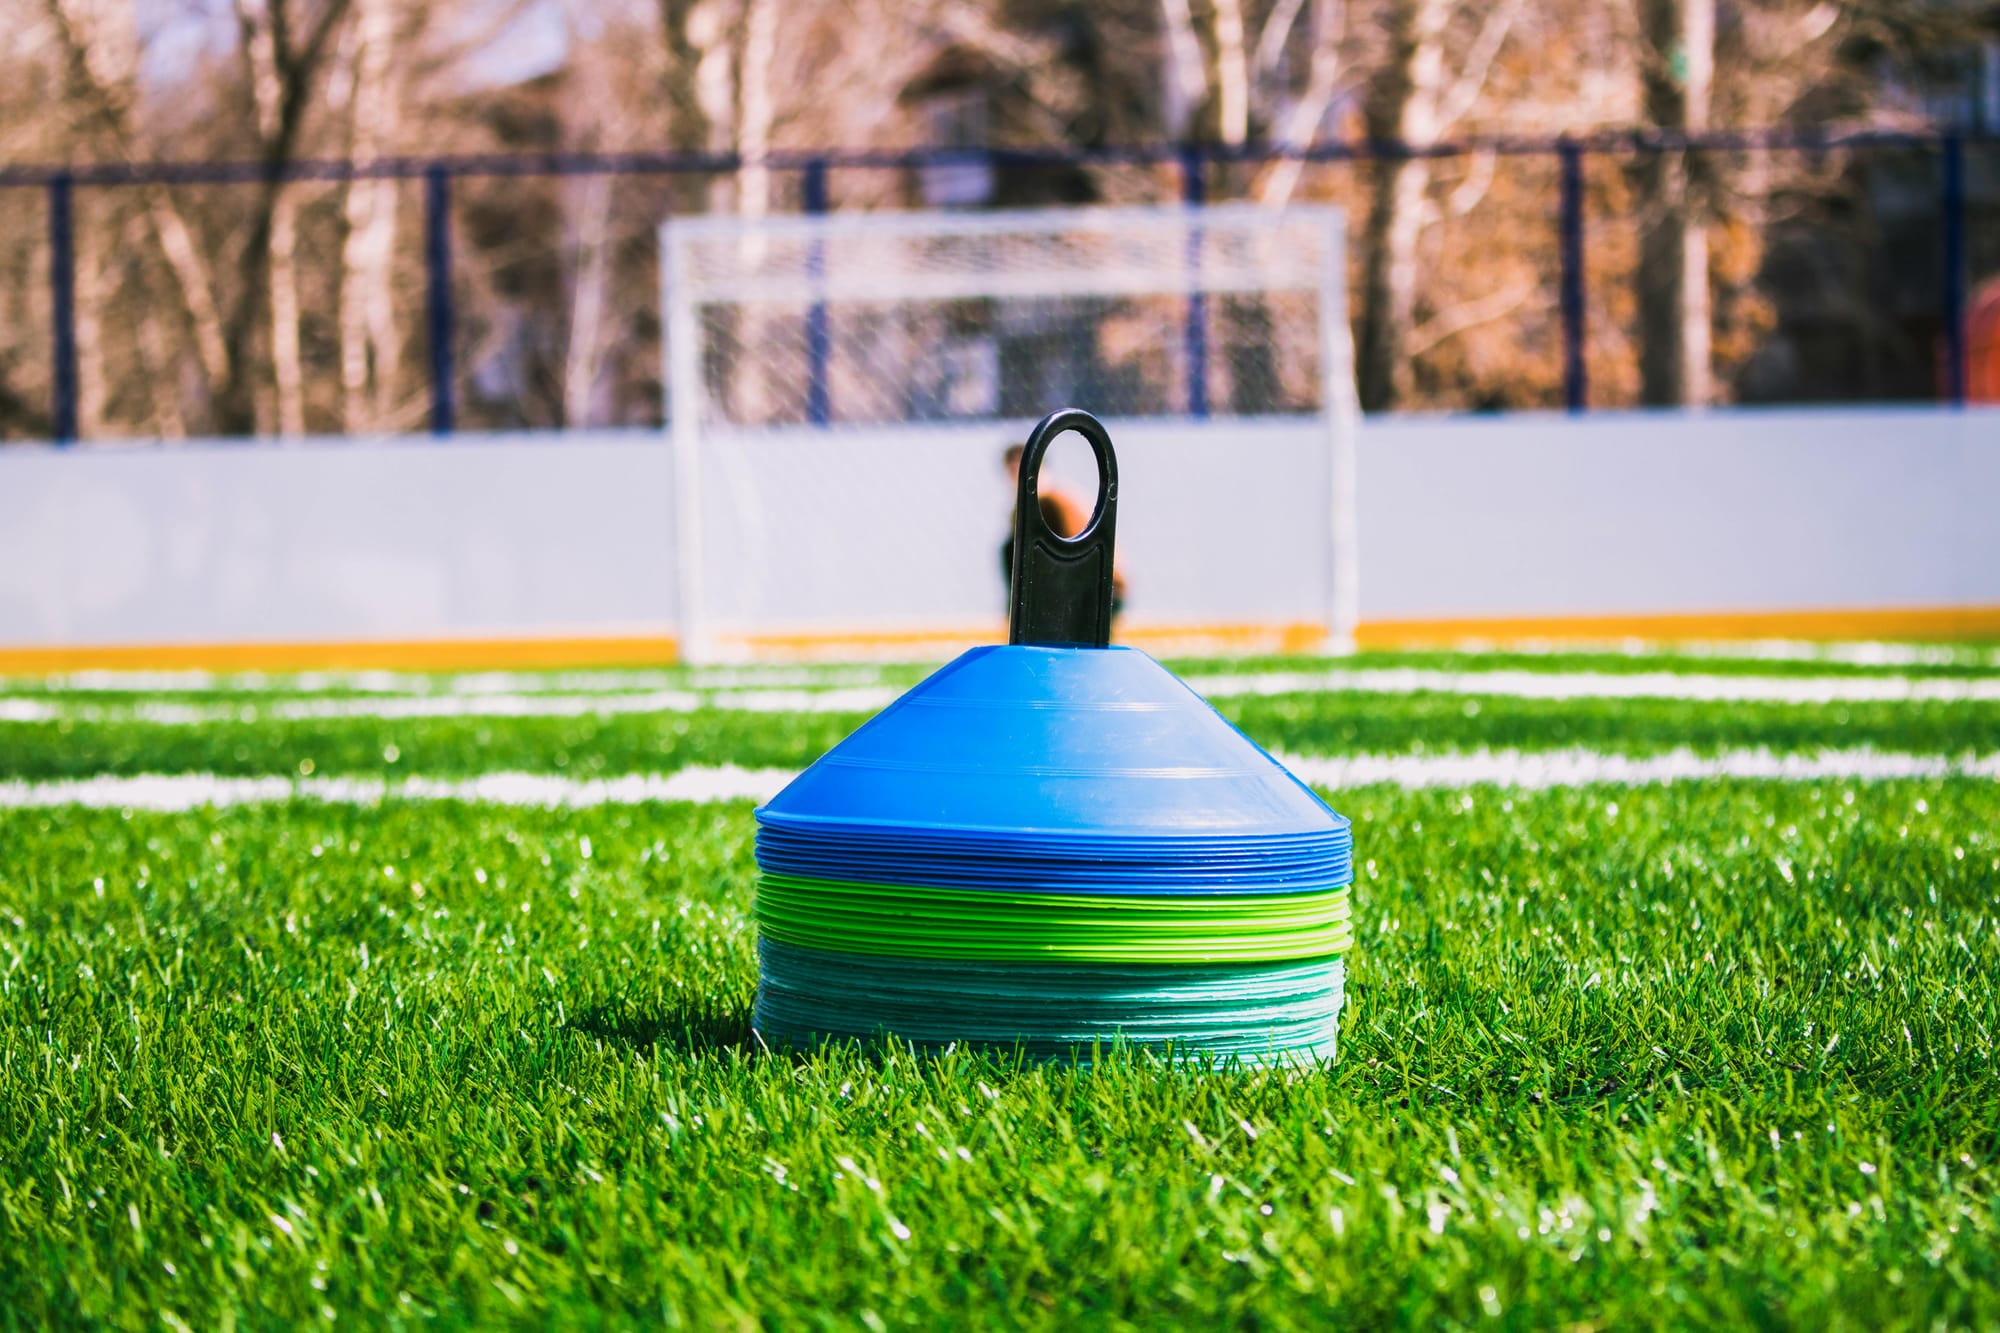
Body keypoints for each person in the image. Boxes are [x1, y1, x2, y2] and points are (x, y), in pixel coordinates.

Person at [1000, 441, 1126, 625]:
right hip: (1077, 586)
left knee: (1012, 549)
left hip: (1094, 587)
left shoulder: (1055, 501)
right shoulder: (1028, 505)